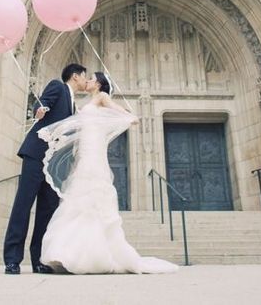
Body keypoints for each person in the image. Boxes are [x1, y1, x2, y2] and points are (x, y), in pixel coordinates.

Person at [37, 71, 178, 274]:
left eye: (92, 79)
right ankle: (71, 252)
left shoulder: (102, 97)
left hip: (94, 148)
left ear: (100, 84)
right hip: (84, 149)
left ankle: (88, 255)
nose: (89, 81)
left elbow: (120, 112)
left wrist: (129, 117)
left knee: (92, 192)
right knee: (79, 194)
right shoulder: (87, 100)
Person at [3, 63, 87, 275]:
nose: (86, 81)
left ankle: (38, 260)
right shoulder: (58, 87)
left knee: (47, 211)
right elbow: (42, 103)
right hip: (37, 155)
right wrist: (38, 110)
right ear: (75, 76)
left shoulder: (74, 105)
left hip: (54, 165)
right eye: (84, 77)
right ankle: (12, 259)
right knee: (23, 205)